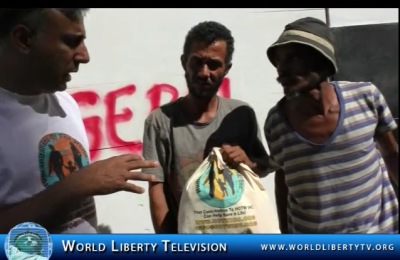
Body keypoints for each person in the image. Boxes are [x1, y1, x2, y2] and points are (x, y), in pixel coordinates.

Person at [0, 8, 158, 234]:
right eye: (72, 42)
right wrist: (78, 185)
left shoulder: (65, 103)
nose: (85, 55)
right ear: (23, 39)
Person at [264, 17, 399, 234]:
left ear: (322, 61)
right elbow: (283, 177)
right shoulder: (276, 123)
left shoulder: (366, 97)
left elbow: (392, 154)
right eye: (279, 61)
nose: (282, 69)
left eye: (294, 59)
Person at [142, 21, 270, 234]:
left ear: (226, 69)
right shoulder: (160, 121)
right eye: (197, 62)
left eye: (213, 64)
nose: (204, 72)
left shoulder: (241, 114)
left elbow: (263, 166)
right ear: (184, 62)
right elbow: (156, 188)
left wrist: (246, 162)